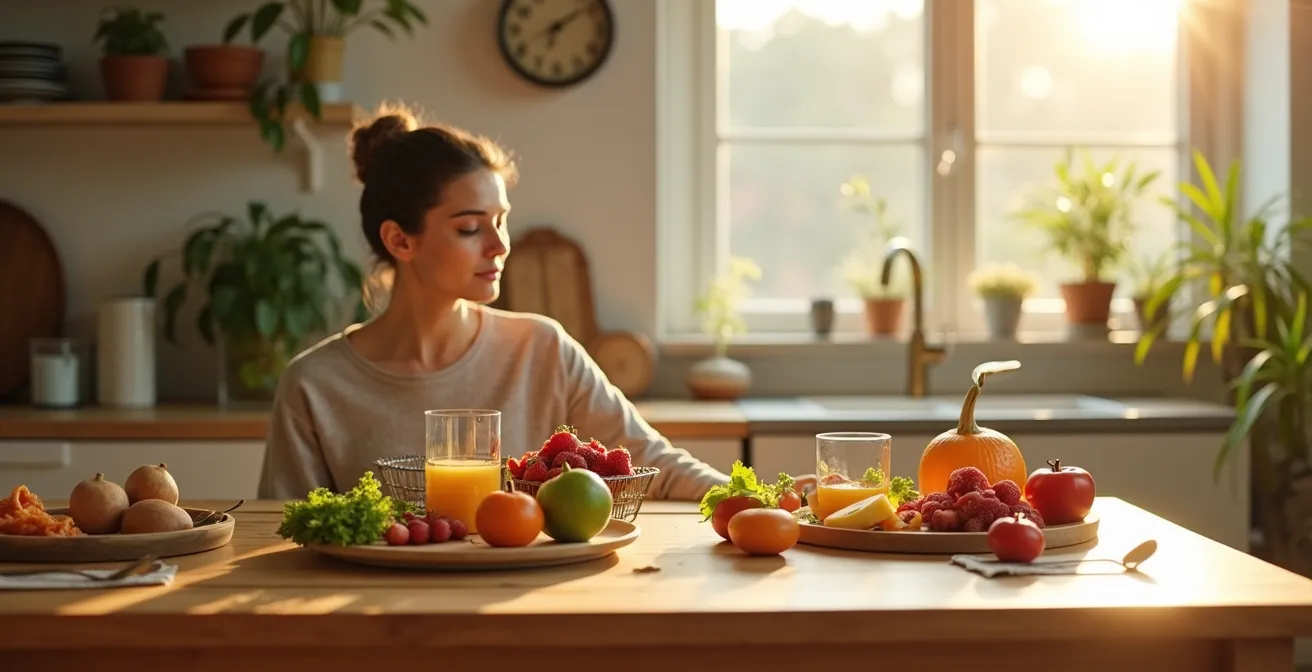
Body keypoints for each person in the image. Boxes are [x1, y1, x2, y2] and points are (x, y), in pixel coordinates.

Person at [258, 106, 776, 503]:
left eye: (500, 220)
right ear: (399, 241)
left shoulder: (542, 347)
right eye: (469, 228)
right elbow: (282, 535)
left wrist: (766, 498)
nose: (500, 245)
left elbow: (654, 466)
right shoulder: (315, 385)